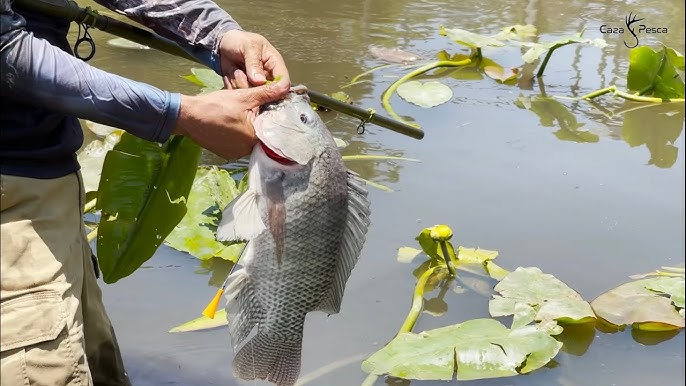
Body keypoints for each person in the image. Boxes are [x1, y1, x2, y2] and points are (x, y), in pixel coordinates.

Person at [0, 0, 290, 384]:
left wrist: (219, 34)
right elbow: (8, 53)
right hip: (13, 202)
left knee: (92, 364)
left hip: (50, 181)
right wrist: (177, 114)